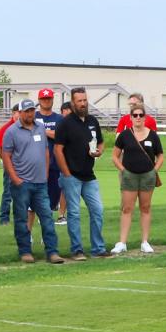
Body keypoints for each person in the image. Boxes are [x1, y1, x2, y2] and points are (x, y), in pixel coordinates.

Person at [0, 99, 63, 264]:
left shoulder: (40, 128)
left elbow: (46, 152)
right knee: (21, 218)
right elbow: (6, 156)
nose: (29, 114)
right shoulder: (11, 132)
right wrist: (15, 178)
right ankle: (25, 251)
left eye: (31, 110)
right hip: (22, 183)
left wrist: (46, 173)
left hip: (40, 182)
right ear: (20, 113)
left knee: (47, 217)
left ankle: (52, 252)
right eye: (26, 111)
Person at [51, 87, 108, 260]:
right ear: (73, 102)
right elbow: (57, 150)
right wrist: (66, 173)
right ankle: (77, 250)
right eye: (79, 101)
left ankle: (98, 248)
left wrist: (98, 152)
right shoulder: (65, 123)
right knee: (74, 213)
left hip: (88, 174)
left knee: (97, 210)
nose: (83, 104)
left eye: (85, 100)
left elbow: (101, 142)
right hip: (72, 175)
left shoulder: (92, 121)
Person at [111, 103, 164, 254]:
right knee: (127, 208)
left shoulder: (153, 135)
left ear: (145, 117)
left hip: (147, 176)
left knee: (145, 208)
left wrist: (154, 170)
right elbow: (114, 156)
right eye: (135, 115)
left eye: (141, 115)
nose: (138, 118)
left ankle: (145, 242)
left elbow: (160, 155)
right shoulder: (125, 135)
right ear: (131, 117)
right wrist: (123, 170)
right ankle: (122, 242)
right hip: (130, 175)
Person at [35, 88, 66, 225]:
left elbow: (61, 136)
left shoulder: (59, 118)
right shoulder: (33, 116)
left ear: (52, 100)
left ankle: (50, 219)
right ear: (39, 100)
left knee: (53, 197)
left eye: (48, 99)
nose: (46, 101)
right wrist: (50, 132)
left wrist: (42, 130)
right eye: (43, 99)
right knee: (35, 196)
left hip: (54, 163)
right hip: (35, 164)